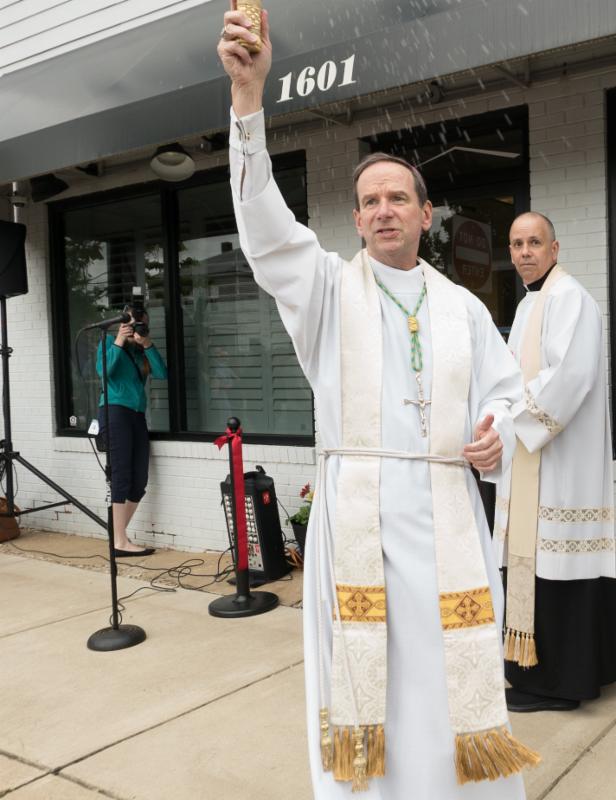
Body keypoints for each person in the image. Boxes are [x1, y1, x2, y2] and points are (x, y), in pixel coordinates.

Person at [218, 7, 539, 798]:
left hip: (446, 520)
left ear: (427, 216)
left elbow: (506, 393)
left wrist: (496, 434)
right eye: (371, 200)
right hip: (359, 521)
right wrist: (249, 100)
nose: (386, 208)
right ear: (357, 219)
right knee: (372, 681)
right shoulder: (326, 290)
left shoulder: (463, 308)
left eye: (401, 197)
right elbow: (263, 230)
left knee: (445, 677)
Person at [494, 212, 616, 712]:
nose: (525, 252)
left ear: (555, 248)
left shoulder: (570, 299)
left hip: (561, 465)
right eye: (517, 243)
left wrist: (514, 422)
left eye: (534, 243)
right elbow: (508, 375)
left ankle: (560, 685)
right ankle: (566, 673)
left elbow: (573, 375)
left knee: (561, 568)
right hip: (534, 465)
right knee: (543, 567)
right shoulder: (529, 305)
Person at [96, 305, 167, 557]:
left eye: (143, 323)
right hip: (114, 411)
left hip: (137, 415)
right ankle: (120, 542)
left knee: (139, 478)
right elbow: (104, 373)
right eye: (134, 322)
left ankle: (118, 538)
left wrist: (146, 343)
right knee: (122, 474)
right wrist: (118, 340)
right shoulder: (107, 342)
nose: (138, 326)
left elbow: (162, 373)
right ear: (123, 321)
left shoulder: (140, 352)